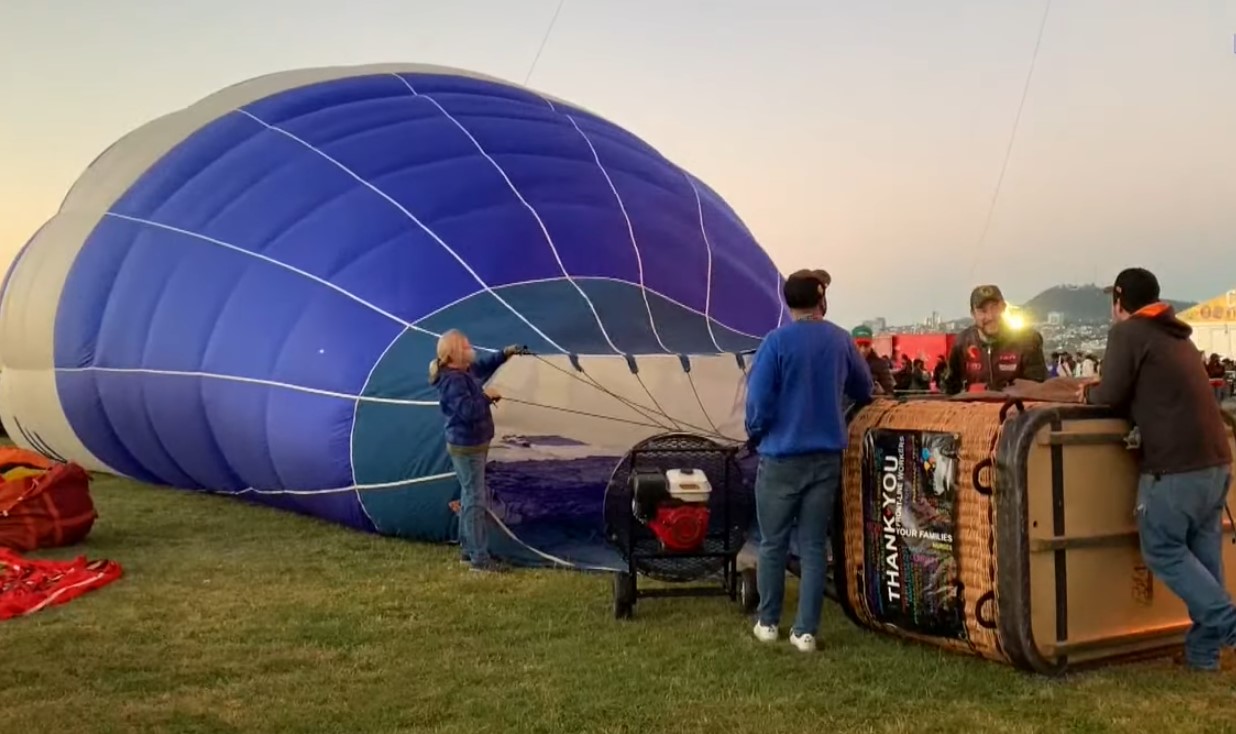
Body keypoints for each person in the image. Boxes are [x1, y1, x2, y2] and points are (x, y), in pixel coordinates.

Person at [1077, 268, 1235, 672]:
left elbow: (1110, 395)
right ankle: (1202, 657)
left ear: (1118, 300)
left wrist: (1086, 390)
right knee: (1204, 559)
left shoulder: (1128, 333)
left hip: (1173, 467)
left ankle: (1230, 627)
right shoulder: (1178, 335)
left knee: (1162, 550)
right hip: (1215, 463)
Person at [745, 270, 874, 652]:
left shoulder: (775, 343)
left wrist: (756, 432)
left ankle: (768, 622)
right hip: (826, 457)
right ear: (821, 300)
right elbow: (864, 388)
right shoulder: (840, 340)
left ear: (787, 302)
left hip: (781, 458)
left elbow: (758, 403)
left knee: (773, 543)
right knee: (814, 546)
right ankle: (805, 632)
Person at [428, 331, 525, 573]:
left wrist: (505, 354)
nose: (471, 346)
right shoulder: (452, 381)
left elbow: (482, 366)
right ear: (454, 354)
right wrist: (487, 396)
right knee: (474, 500)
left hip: (473, 445)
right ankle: (480, 560)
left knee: (469, 495)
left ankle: (467, 551)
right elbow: (468, 411)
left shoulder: (465, 371)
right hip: (467, 447)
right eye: (465, 345)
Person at [943, 284, 1048, 394]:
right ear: (973, 314)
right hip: (974, 408)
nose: (990, 316)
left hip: (1016, 408)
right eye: (983, 311)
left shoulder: (1027, 341)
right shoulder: (962, 343)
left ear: (1004, 308)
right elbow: (950, 388)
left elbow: (1038, 388)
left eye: (995, 308)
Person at [851, 324, 895, 394]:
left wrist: (881, 393)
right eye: (859, 345)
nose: (863, 350)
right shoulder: (843, 363)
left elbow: (890, 393)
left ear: (871, 345)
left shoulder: (880, 365)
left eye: (866, 345)